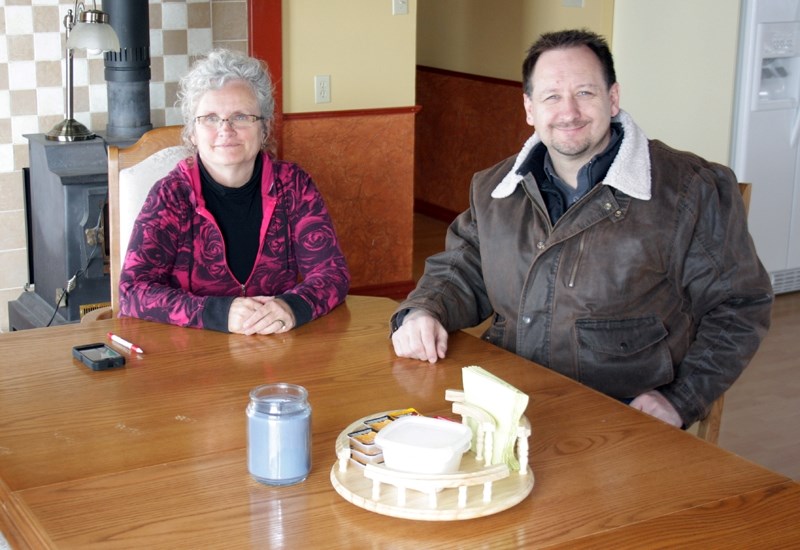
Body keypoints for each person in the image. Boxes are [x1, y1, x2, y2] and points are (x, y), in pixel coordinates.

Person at [390, 29, 773, 428]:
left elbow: (739, 304)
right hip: (505, 406)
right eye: (552, 96)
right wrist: (424, 311)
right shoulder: (496, 188)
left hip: (621, 417)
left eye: (586, 93)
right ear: (529, 109)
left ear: (613, 98)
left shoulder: (690, 189)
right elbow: (463, 269)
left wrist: (681, 400)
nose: (569, 111)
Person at [120, 49, 350, 334]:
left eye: (241, 117)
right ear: (193, 132)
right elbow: (133, 291)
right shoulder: (170, 196)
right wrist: (219, 312)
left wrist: (293, 306)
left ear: (264, 128)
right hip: (193, 354)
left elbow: (332, 273)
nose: (225, 130)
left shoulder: (294, 185)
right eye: (211, 118)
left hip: (275, 348)